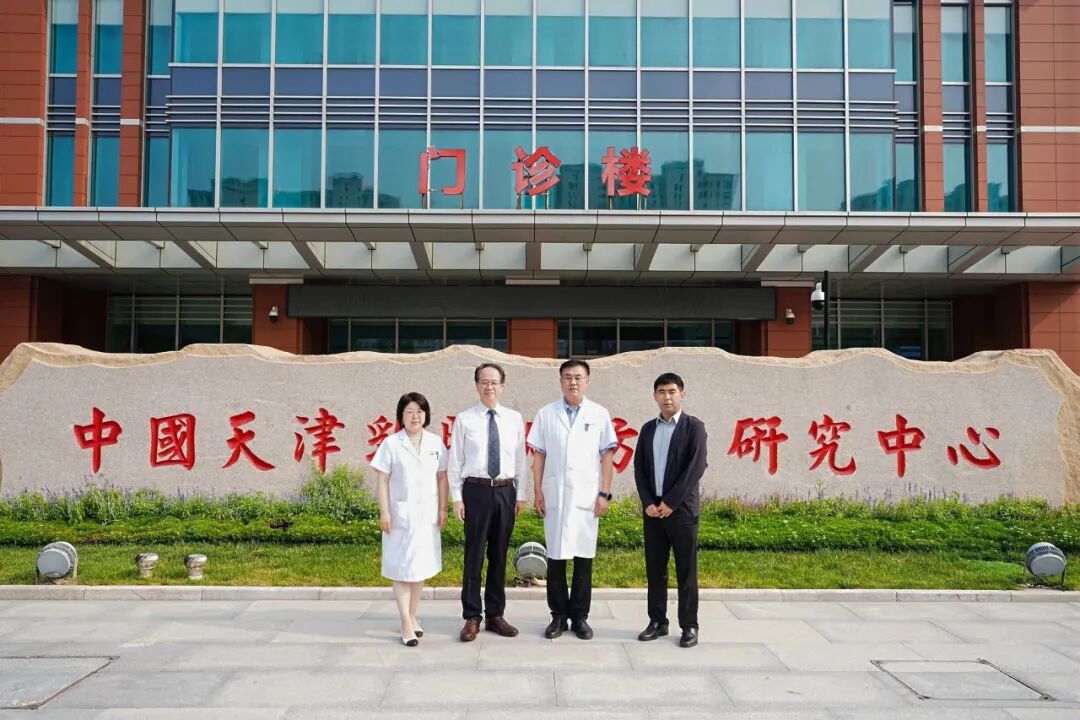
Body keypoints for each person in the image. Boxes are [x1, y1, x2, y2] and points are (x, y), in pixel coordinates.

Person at [528, 359, 617, 640]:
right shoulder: (546, 413)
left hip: (586, 497)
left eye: (578, 377)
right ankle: (558, 616)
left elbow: (607, 456)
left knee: (583, 558)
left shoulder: (599, 414)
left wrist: (604, 493)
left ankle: (579, 617)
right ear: (560, 381)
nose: (573, 382)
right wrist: (537, 490)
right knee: (555, 558)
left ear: (587, 381)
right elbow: (539, 454)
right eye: (568, 377)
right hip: (555, 494)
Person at [447, 362, 528, 642]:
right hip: (476, 491)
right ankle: (472, 616)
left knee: (499, 555)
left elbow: (521, 459)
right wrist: (456, 498)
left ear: (502, 386)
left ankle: (495, 614)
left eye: (494, 382)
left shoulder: (514, 419)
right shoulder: (465, 419)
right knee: (474, 555)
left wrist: (520, 494)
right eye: (484, 381)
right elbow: (455, 461)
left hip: (505, 491)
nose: (489, 386)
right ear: (476, 385)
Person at [632, 372, 707, 648]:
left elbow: (695, 468)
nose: (667, 397)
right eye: (661, 392)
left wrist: (671, 502)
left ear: (682, 394)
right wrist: (648, 503)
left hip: (682, 512)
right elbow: (639, 468)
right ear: (655, 396)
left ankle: (689, 626)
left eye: (672, 391)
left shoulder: (693, 427)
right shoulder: (648, 429)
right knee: (655, 570)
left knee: (686, 571)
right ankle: (657, 621)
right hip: (654, 513)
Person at [371, 392, 449, 647]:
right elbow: (382, 480)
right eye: (409, 412)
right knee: (402, 569)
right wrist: (384, 512)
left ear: (426, 415)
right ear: (401, 416)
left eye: (419, 412)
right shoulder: (391, 444)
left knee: (419, 569)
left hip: (427, 516)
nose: (415, 417)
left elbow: (442, 477)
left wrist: (443, 509)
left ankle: (413, 615)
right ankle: (405, 622)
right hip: (399, 517)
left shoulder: (435, 443)